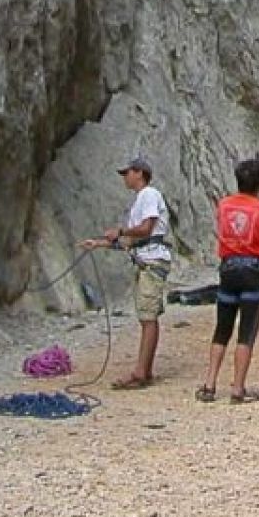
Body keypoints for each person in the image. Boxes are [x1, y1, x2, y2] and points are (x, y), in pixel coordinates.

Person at [81, 156, 172, 390]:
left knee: (148, 316)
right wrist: (98, 244)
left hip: (152, 260)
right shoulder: (141, 200)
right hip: (146, 259)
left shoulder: (149, 195)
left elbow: (146, 229)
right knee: (146, 316)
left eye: (127, 173)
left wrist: (120, 230)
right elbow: (131, 242)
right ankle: (144, 370)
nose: (124, 177)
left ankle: (141, 373)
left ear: (139, 173)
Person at [197, 158, 259, 404]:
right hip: (253, 270)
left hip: (228, 269)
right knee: (246, 332)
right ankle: (237, 388)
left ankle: (209, 384)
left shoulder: (224, 205)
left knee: (221, 329)